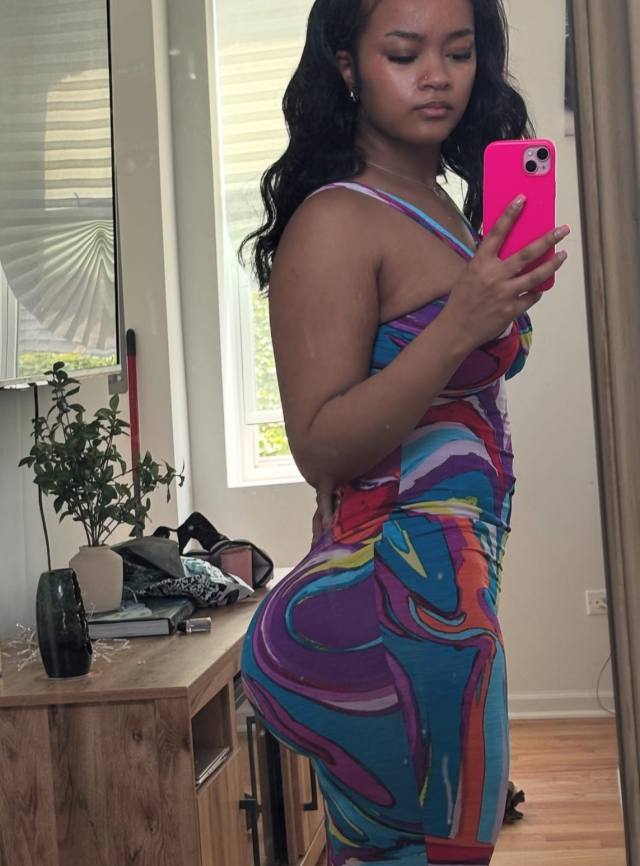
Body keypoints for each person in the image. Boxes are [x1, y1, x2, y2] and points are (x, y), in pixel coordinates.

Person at [240, 0, 570, 863]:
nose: (436, 76)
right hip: (396, 599)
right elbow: (319, 443)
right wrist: (462, 323)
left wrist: (490, 310)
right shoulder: (337, 219)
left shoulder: (439, 205)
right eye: (403, 52)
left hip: (439, 595)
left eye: (458, 52)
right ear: (347, 64)